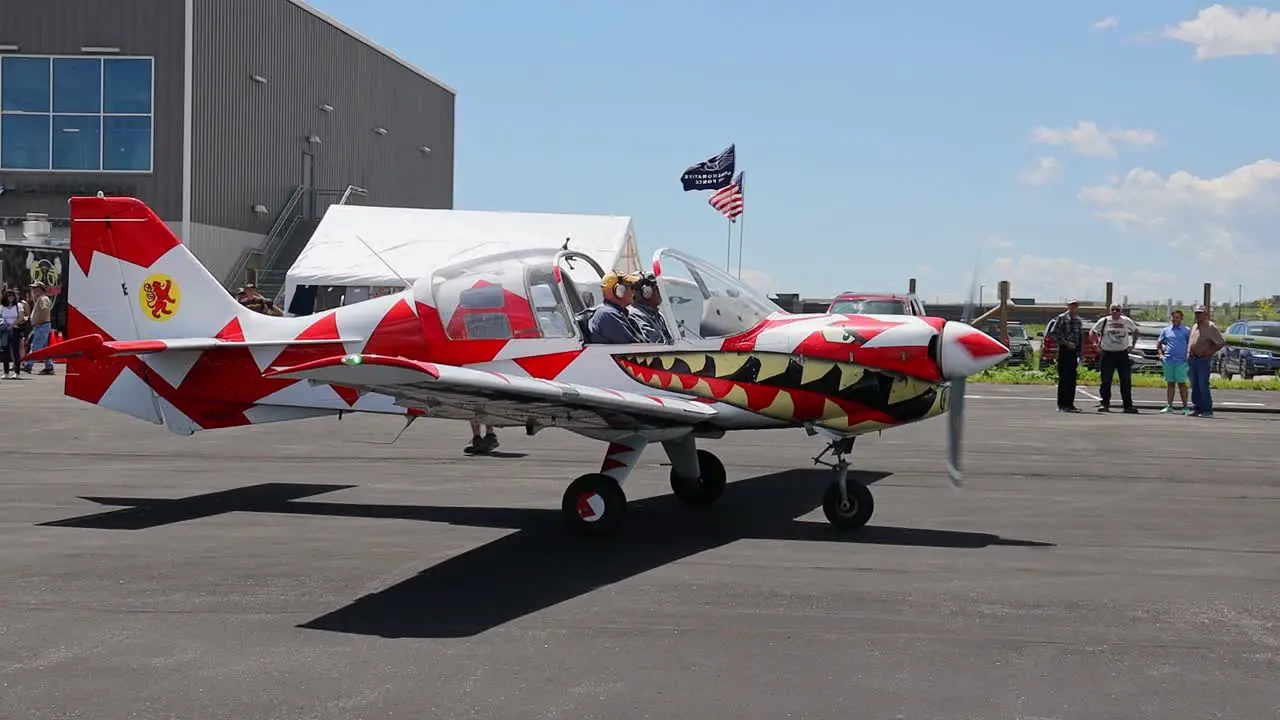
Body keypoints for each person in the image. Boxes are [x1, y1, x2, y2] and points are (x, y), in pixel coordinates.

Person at [1090, 303, 1140, 413]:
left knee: (1126, 380)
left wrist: (1132, 345)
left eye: (1118, 310)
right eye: (1113, 310)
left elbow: (1136, 331)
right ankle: (1104, 404)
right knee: (1106, 380)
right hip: (1108, 354)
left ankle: (1128, 405)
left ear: (1121, 311)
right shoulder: (1104, 321)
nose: (1115, 312)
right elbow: (1092, 332)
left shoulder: (1126, 321)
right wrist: (1095, 344)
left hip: (1122, 354)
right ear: (1110, 310)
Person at [1187, 304, 1225, 418]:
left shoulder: (1210, 326)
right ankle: (1196, 408)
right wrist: (1188, 352)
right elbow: (1191, 341)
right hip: (1192, 359)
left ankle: (1207, 410)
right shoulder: (1194, 326)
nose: (1197, 315)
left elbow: (1220, 342)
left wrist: (1210, 352)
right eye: (1196, 313)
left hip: (1202, 359)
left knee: (1203, 385)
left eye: (1200, 313)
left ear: (1206, 314)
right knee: (1195, 385)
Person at [587, 272, 644, 344]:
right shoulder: (608, 315)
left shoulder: (618, 314)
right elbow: (636, 347)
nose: (634, 291)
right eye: (631, 287)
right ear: (619, 290)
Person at [1048, 299, 1084, 412]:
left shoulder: (1078, 320)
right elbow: (1053, 333)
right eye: (1072, 305)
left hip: (1074, 352)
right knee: (1064, 378)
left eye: (1075, 305)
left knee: (1072, 378)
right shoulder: (1062, 318)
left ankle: (1070, 404)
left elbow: (1080, 337)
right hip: (1064, 350)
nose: (1074, 307)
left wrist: (1080, 352)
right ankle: (1062, 404)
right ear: (1068, 306)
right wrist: (1065, 342)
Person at [1156, 309, 1191, 415]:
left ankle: (1185, 407)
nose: (1175, 319)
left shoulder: (1186, 330)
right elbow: (1159, 343)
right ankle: (1169, 406)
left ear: (1181, 319)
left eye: (1177, 317)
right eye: (1173, 317)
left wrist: (1188, 356)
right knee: (1170, 383)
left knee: (1182, 384)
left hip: (1181, 361)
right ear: (1171, 318)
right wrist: (1161, 355)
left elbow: (1191, 344)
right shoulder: (1166, 330)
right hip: (1168, 360)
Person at [627, 273, 673, 344]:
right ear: (647, 292)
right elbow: (656, 344)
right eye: (657, 288)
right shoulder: (634, 314)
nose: (660, 292)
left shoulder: (658, 315)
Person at [22, 281, 55, 376]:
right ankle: (49, 367)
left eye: (35, 288)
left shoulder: (42, 299)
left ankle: (28, 365)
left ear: (41, 289)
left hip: (42, 325)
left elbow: (44, 310)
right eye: (33, 288)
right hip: (43, 325)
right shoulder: (41, 298)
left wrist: (39, 322)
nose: (33, 290)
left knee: (36, 346)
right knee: (44, 348)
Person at [0, 289, 24, 379]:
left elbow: (21, 317)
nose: (10, 297)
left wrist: (12, 325)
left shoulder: (18, 305)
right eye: (8, 295)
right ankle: (6, 373)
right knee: (5, 352)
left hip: (15, 329)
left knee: (15, 351)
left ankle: (17, 372)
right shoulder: (2, 306)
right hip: (4, 329)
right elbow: (1, 317)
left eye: (12, 295)